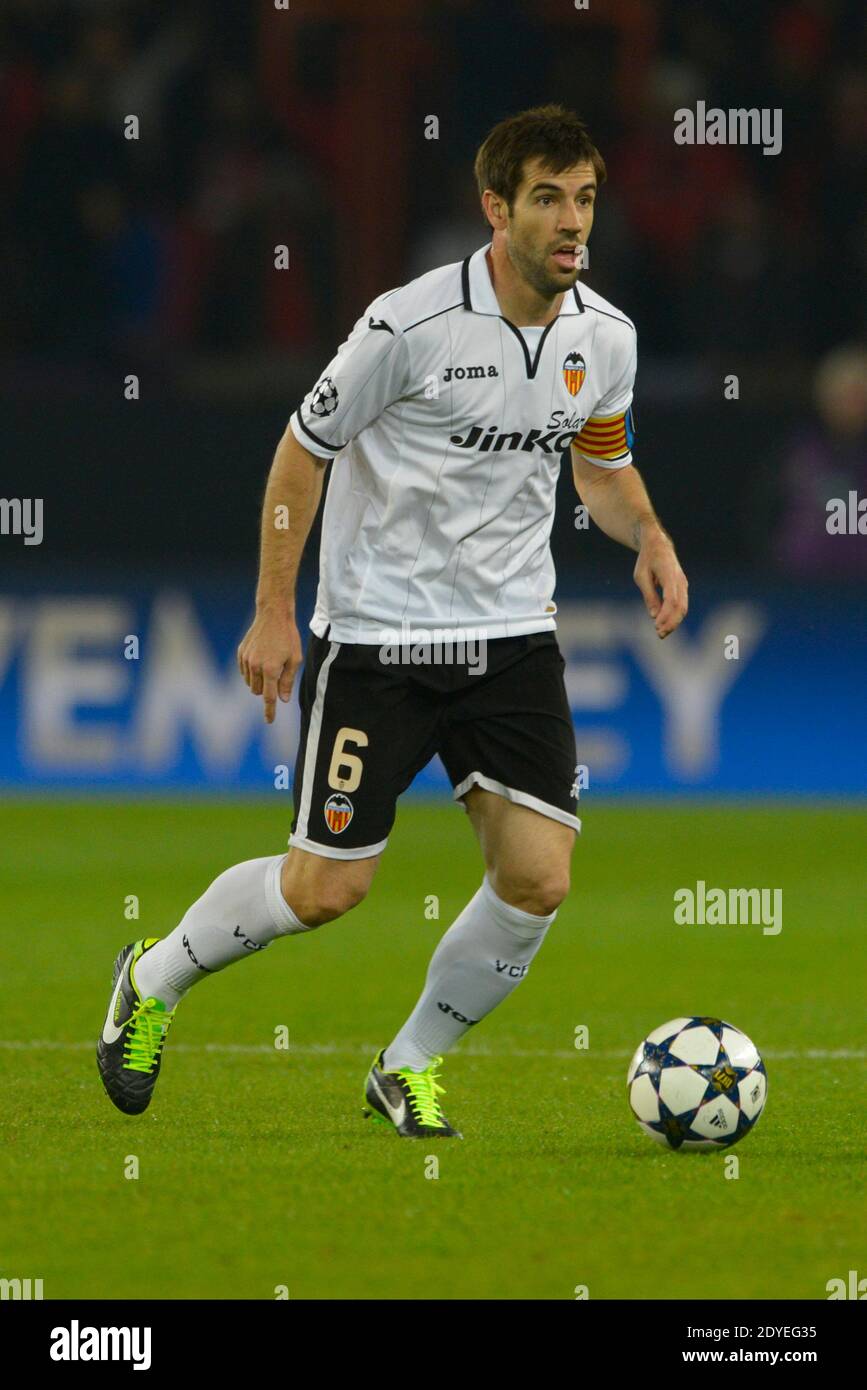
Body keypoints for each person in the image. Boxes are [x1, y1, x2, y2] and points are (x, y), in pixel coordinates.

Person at [97, 104, 688, 1137]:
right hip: (379, 639)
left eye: (584, 199)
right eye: (547, 199)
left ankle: (408, 1062)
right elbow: (302, 449)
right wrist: (274, 611)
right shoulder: (406, 324)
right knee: (326, 889)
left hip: (510, 637)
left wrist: (648, 536)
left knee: (539, 877)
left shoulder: (606, 337)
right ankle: (149, 980)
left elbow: (600, 462)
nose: (571, 223)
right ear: (495, 209)